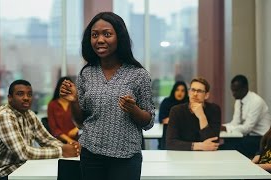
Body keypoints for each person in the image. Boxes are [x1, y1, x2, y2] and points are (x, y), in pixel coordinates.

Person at [60, 12, 155, 180]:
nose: (100, 40)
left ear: (120, 37)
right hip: (91, 154)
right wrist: (73, 101)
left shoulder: (138, 75)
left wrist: (133, 110)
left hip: (126, 157)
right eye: (95, 35)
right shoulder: (86, 74)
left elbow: (148, 123)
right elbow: (81, 122)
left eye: (107, 34)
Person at [0, 80, 80, 180]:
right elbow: (23, 153)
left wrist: (70, 149)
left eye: (29, 94)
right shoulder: (4, 116)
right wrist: (62, 151)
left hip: (22, 167)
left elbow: (47, 140)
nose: (26, 98)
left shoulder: (29, 114)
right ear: (9, 98)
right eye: (20, 94)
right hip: (2, 173)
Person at [221, 74, 271, 158]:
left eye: (236, 90)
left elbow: (247, 128)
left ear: (245, 88)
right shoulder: (239, 100)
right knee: (227, 142)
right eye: (232, 90)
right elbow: (235, 123)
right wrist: (222, 126)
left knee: (230, 146)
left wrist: (226, 128)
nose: (233, 94)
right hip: (249, 136)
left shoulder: (256, 102)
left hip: (261, 138)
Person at [166, 77, 221, 151]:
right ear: (189, 92)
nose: (195, 94)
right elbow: (170, 143)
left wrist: (202, 117)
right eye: (193, 90)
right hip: (182, 156)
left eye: (199, 91)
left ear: (206, 95)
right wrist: (200, 146)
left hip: (206, 157)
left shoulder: (214, 109)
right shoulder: (176, 111)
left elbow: (213, 143)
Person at [47, 77, 79, 144]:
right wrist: (69, 140)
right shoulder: (52, 105)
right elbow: (54, 128)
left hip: (78, 139)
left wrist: (77, 129)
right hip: (58, 142)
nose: (66, 89)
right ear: (59, 88)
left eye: (69, 86)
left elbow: (85, 121)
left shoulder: (76, 103)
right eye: (64, 86)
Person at [158, 81, 189, 149]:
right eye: (177, 90)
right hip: (169, 135)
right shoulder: (167, 102)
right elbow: (162, 120)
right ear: (174, 91)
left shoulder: (188, 103)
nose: (180, 93)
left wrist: (171, 120)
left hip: (186, 137)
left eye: (182, 91)